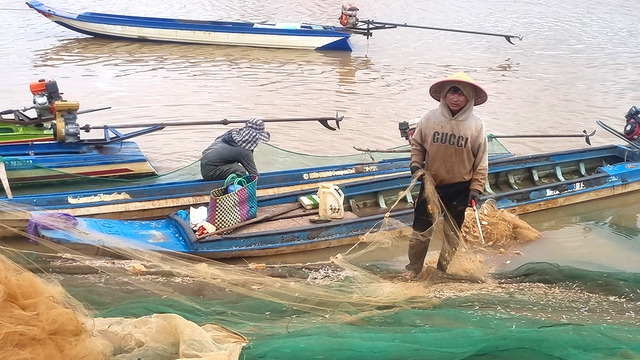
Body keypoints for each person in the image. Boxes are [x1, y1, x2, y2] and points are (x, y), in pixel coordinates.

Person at [403, 72, 489, 280]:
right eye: (452, 92)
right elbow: (418, 146)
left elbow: (481, 162)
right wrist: (416, 165)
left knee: (452, 235)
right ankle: (413, 268)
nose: (455, 98)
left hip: (460, 188)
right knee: (420, 232)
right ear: (444, 95)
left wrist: (476, 189)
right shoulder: (429, 118)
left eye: (461, 93)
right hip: (431, 185)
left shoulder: (476, 125)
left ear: (468, 98)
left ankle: (442, 269)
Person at [200, 118, 270, 181]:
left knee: (234, 164)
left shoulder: (231, 133)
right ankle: (232, 189)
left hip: (204, 164)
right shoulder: (245, 151)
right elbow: (253, 174)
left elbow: (217, 139)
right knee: (240, 171)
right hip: (210, 172)